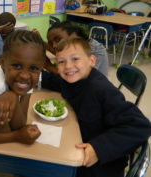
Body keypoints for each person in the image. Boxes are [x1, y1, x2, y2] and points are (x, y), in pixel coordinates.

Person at [40, 37, 151, 177]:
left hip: (99, 166)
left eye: (75, 59)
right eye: (61, 62)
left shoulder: (101, 90)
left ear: (92, 61)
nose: (68, 66)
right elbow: (57, 81)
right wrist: (31, 75)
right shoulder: (74, 78)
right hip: (79, 144)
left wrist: (98, 149)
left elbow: (140, 126)